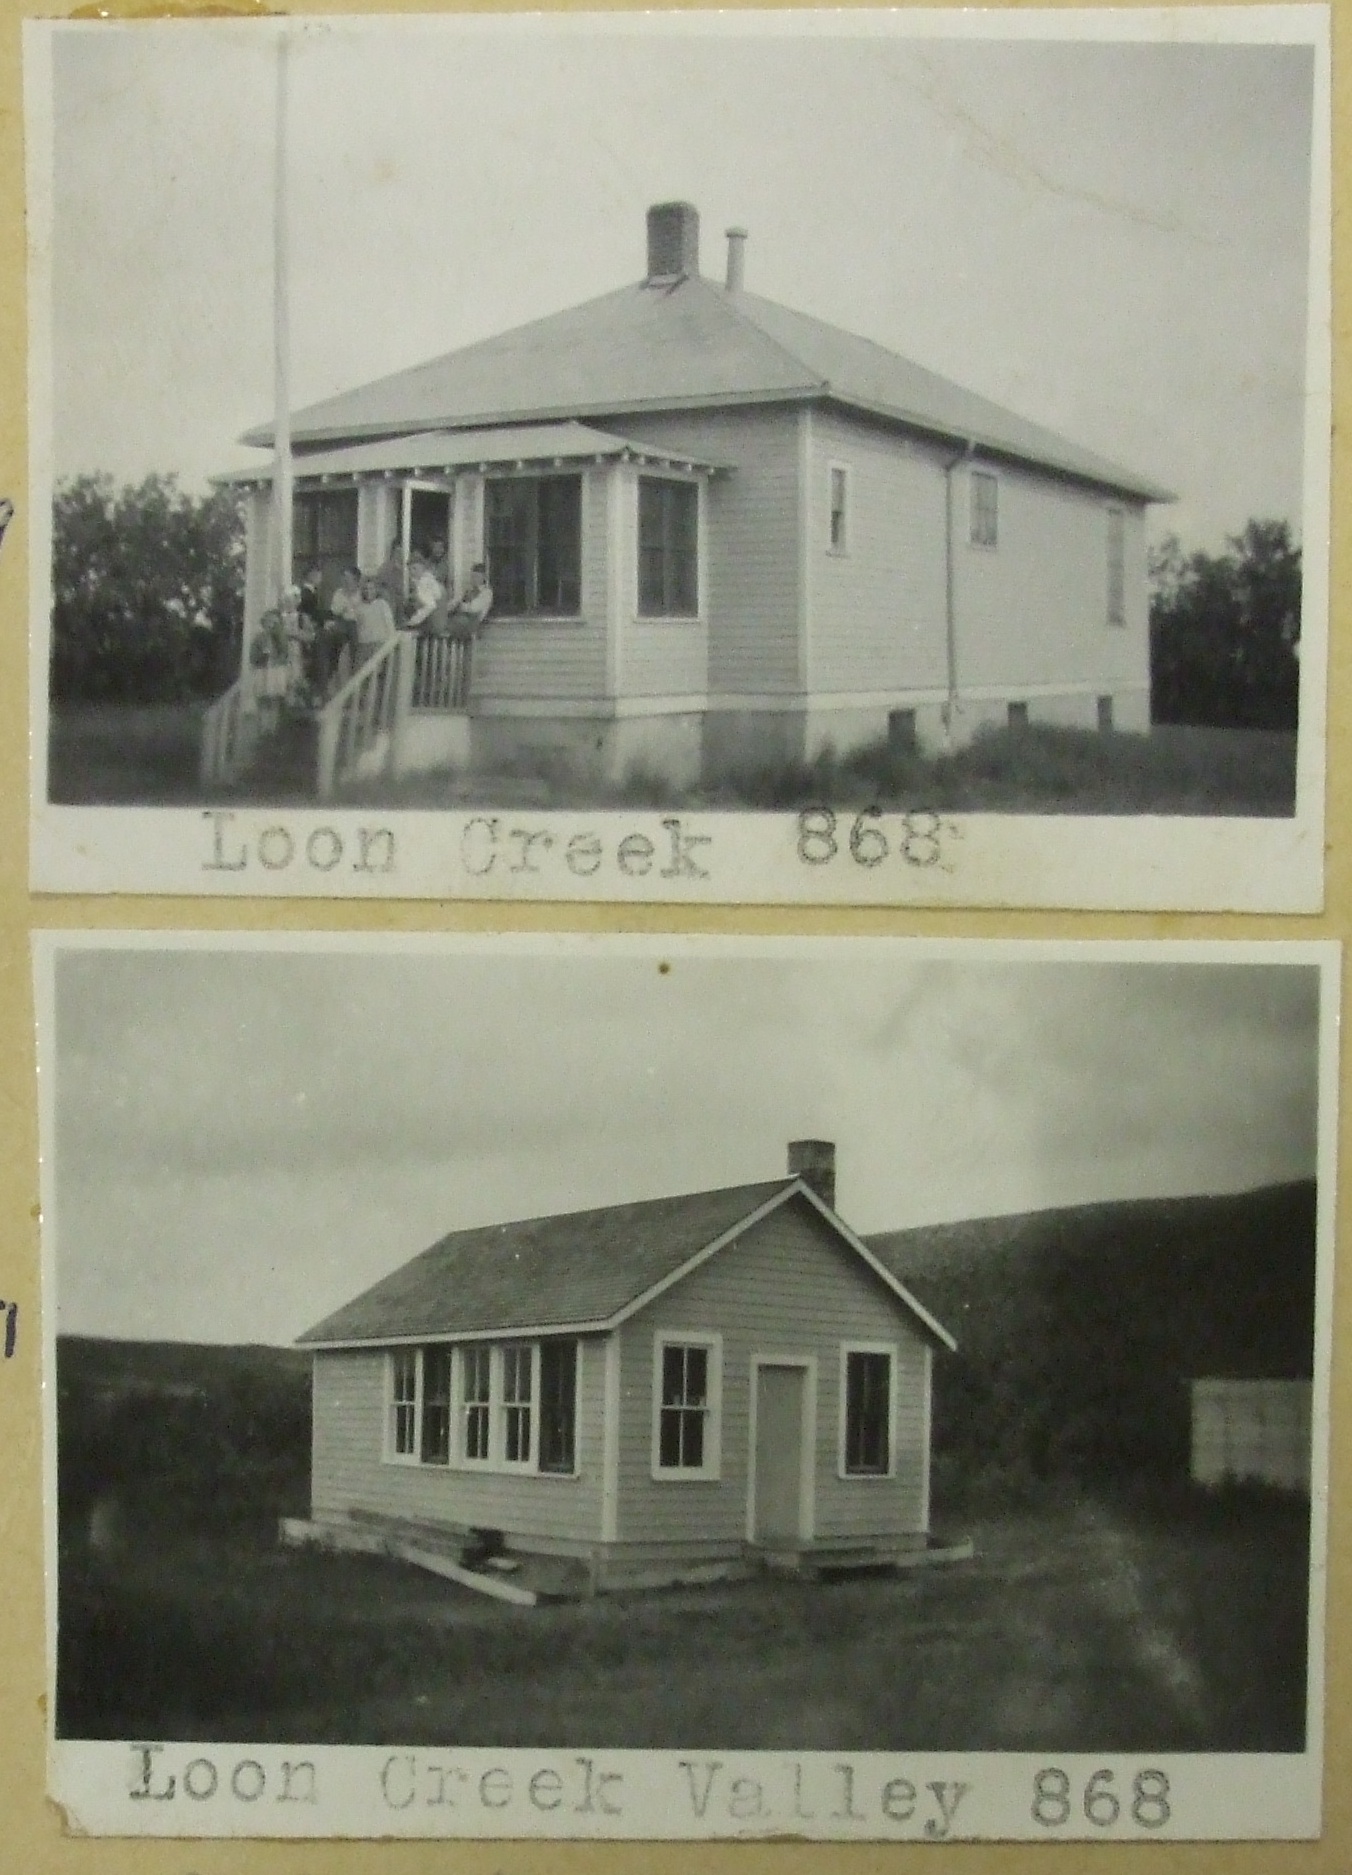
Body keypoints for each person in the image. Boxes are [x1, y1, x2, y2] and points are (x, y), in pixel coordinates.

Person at [352, 574, 396, 667]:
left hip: (379, 645)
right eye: (365, 589)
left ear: (376, 590)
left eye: (371, 588)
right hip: (364, 645)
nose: (368, 591)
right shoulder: (358, 607)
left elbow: (390, 626)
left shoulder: (382, 604)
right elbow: (356, 627)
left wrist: (389, 646)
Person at [445, 562, 494, 640]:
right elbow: (455, 601)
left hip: (473, 622)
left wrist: (459, 605)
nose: (474, 579)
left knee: (448, 625)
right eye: (472, 576)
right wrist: (449, 606)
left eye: (477, 576)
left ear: (484, 577)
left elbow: (473, 608)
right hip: (462, 619)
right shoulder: (468, 591)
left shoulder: (486, 593)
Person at [402, 552, 447, 634]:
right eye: (410, 569)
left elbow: (430, 606)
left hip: (433, 624)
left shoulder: (423, 583)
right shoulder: (431, 580)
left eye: (415, 568)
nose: (411, 572)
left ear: (423, 568)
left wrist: (412, 622)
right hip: (441, 623)